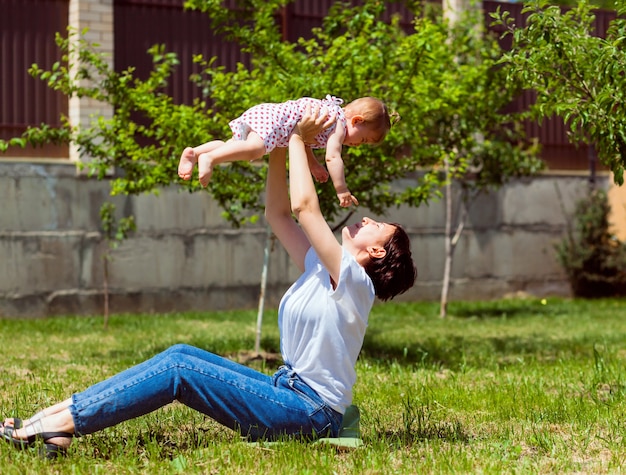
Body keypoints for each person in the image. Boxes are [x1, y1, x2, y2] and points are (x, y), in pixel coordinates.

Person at [1, 105, 417, 458]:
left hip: (310, 412)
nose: (365, 219)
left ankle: (58, 422)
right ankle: (56, 419)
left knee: (179, 369)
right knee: (181, 352)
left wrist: (296, 139)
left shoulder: (353, 281)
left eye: (375, 225)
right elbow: (279, 214)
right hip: (286, 390)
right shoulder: (321, 268)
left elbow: (305, 207)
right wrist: (277, 143)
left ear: (377, 252)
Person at [178, 95, 397, 207]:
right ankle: (210, 158)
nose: (358, 145)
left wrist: (313, 164)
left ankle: (195, 153)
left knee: (233, 146)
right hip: (275, 120)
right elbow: (333, 156)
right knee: (254, 150)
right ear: (357, 121)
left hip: (269, 115)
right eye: (363, 139)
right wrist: (341, 189)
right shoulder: (338, 124)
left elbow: (305, 140)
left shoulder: (330, 118)